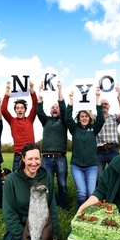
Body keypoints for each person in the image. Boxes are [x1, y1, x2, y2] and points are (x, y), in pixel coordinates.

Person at [2, 143, 61, 240]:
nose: (34, 163)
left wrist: (54, 236)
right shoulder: (11, 180)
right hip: (22, 231)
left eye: (37, 158)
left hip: (43, 230)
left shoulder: (47, 178)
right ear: (23, 159)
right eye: (30, 159)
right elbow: (9, 214)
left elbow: (52, 209)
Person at [66, 88, 105, 208]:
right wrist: (71, 101)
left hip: (91, 166)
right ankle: (80, 214)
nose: (84, 118)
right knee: (81, 193)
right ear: (79, 117)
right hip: (77, 166)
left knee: (90, 193)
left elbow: (101, 119)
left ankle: (90, 215)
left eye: (86, 116)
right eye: (82, 116)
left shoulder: (94, 129)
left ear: (89, 117)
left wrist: (98, 99)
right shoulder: (74, 129)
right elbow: (68, 118)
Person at [37, 81, 68, 211]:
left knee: (62, 184)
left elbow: (64, 107)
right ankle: (50, 206)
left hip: (60, 158)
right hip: (47, 158)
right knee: (47, 184)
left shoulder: (64, 121)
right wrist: (40, 92)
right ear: (50, 112)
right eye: (53, 108)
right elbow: (39, 110)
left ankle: (63, 205)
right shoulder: (46, 121)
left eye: (57, 107)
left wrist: (60, 90)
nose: (55, 108)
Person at [1, 81, 37, 171]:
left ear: (25, 110)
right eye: (17, 108)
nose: (19, 110)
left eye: (22, 108)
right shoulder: (12, 121)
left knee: (31, 178)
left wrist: (32, 91)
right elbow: (3, 110)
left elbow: (35, 105)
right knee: (17, 180)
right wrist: (7, 93)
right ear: (15, 110)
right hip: (18, 156)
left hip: (30, 154)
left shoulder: (30, 119)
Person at [96, 85, 120, 178]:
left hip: (113, 150)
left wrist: (118, 95)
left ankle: (115, 193)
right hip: (99, 151)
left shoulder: (114, 117)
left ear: (109, 106)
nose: (104, 105)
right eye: (102, 104)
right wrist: (95, 97)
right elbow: (86, 111)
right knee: (99, 178)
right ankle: (101, 193)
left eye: (106, 104)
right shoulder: (94, 118)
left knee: (116, 175)